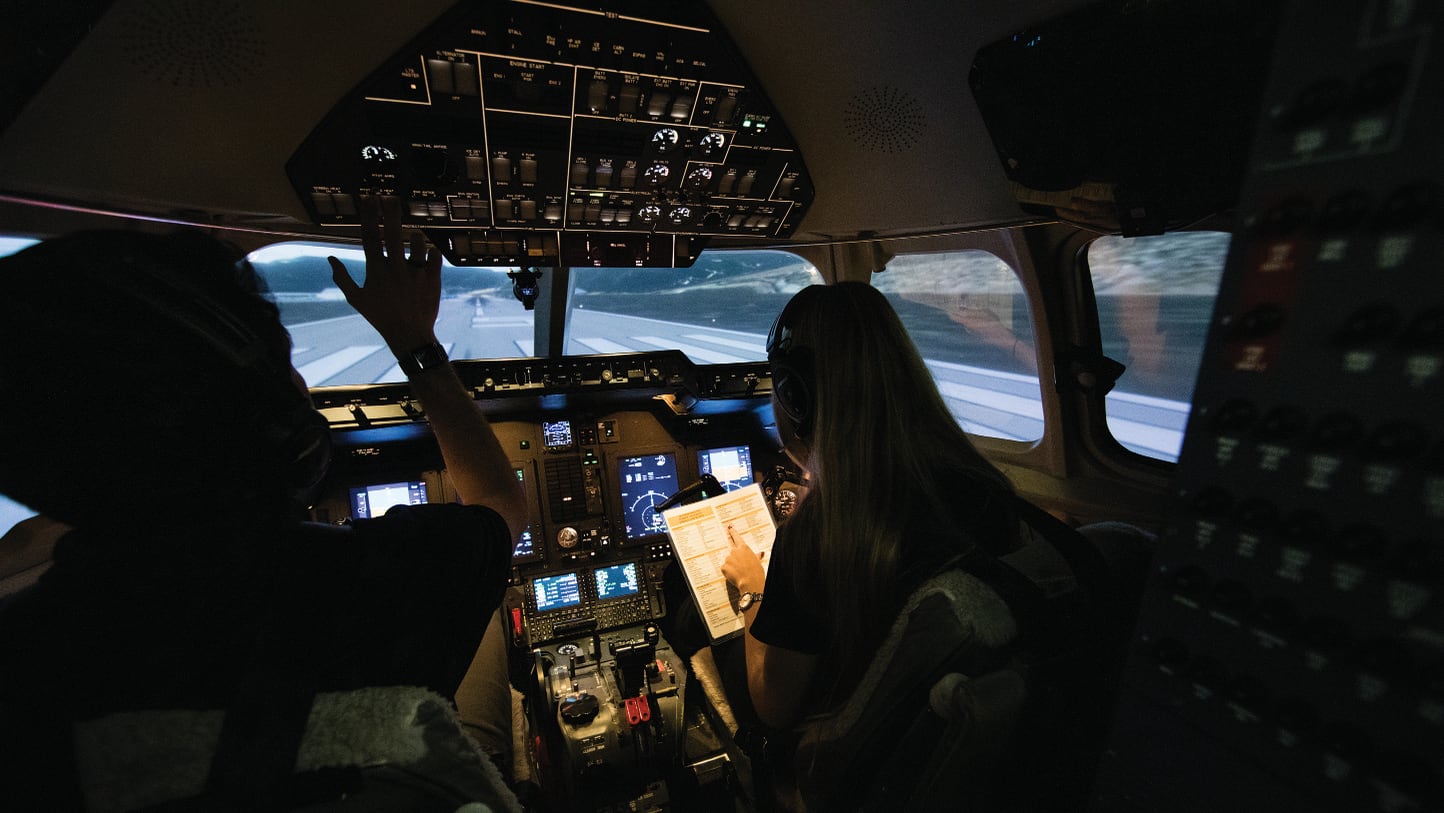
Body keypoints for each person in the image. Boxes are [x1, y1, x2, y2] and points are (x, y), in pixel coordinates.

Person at [0, 197, 527, 810]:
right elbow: (498, 502)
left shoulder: (21, 666)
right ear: (279, 424)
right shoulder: (381, 581)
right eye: (286, 367)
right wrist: (415, 343)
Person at [711, 282, 1032, 805]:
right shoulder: (986, 490)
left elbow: (774, 705)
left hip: (845, 755)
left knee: (694, 628)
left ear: (796, 398)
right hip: (935, 750)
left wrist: (753, 591)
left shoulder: (819, 533)